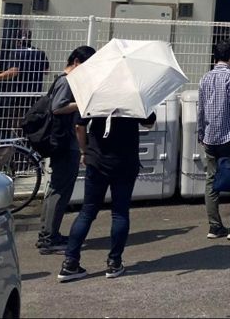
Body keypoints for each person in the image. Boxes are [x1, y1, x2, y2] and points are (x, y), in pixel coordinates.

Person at [57, 109, 157, 281]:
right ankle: (114, 262)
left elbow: (79, 126)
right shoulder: (133, 96)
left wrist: (84, 151)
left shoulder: (97, 94)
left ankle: (70, 262)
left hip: (97, 160)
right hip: (125, 162)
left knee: (87, 212)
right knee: (120, 212)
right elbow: (149, 122)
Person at [36, 45, 94, 255]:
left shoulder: (62, 80)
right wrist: (80, 103)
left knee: (58, 189)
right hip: (62, 142)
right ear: (77, 62)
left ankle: (50, 234)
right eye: (87, 66)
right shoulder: (67, 81)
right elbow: (57, 107)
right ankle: (48, 238)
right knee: (59, 190)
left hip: (61, 141)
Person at [197, 39, 230, 240]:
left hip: (209, 136)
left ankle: (215, 226)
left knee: (211, 181)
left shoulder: (205, 78)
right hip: (228, 137)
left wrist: (201, 133)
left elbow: (200, 108)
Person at [0, 28, 50, 141]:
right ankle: (27, 151)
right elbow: (46, 70)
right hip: (34, 94)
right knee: (30, 122)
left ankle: (16, 151)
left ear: (17, 40)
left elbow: (14, 71)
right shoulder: (40, 52)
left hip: (19, 94)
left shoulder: (16, 52)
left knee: (16, 124)